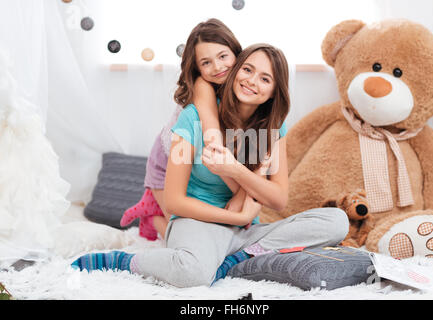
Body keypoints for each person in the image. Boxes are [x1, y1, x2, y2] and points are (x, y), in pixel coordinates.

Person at [71, 44, 349, 288]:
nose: (252, 81)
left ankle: (239, 258)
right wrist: (237, 217)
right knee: (194, 274)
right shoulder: (193, 118)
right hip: (198, 222)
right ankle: (125, 261)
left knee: (337, 221)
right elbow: (175, 202)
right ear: (236, 69)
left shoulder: (273, 129)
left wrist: (234, 169)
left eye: (265, 79)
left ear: (274, 91)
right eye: (248, 70)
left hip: (246, 234)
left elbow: (278, 199)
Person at [120, 18, 243, 241]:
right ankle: (151, 217)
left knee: (210, 232)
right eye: (206, 63)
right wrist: (240, 190)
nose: (217, 67)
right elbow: (212, 138)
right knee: (179, 236)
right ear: (196, 68)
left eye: (223, 56)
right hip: (168, 160)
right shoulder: (202, 86)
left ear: (236, 52)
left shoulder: (243, 85)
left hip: (197, 163)